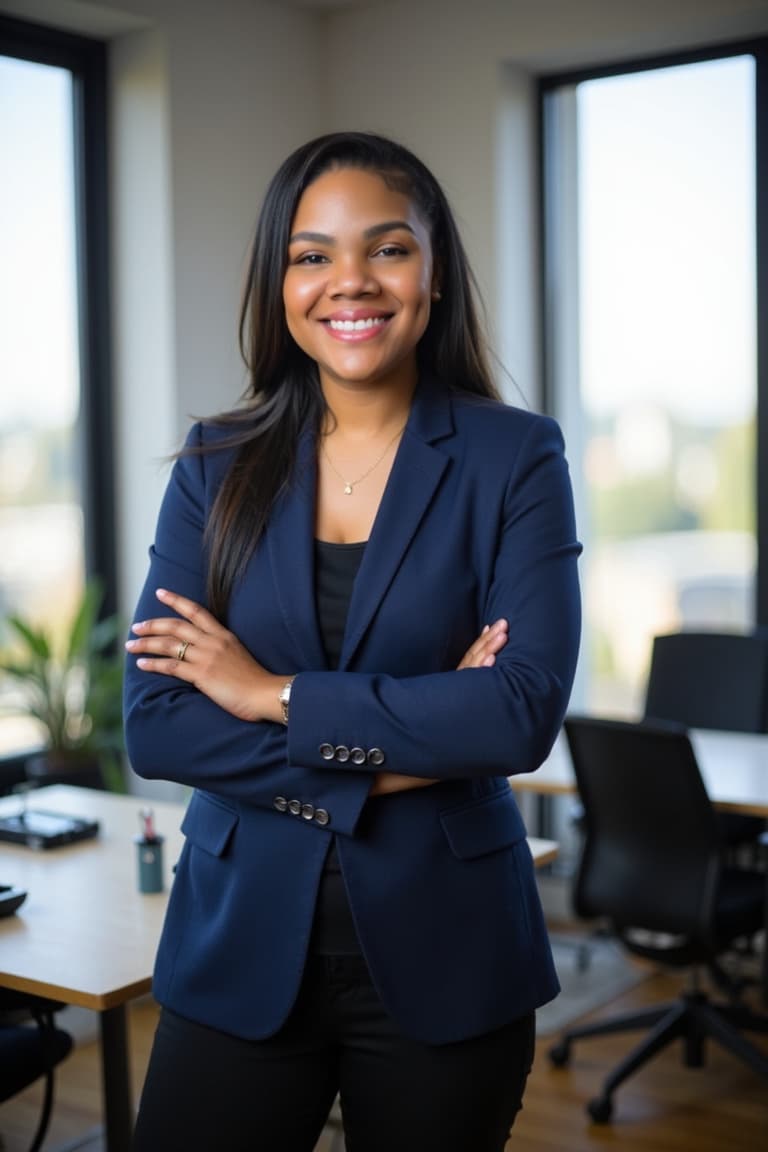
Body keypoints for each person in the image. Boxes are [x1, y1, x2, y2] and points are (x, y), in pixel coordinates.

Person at [124, 131, 581, 1152]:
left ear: (433, 266)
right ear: (279, 281)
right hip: (236, 942)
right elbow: (158, 729)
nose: (351, 283)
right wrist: (409, 747)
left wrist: (266, 694)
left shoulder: (515, 456)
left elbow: (516, 713)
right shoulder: (215, 464)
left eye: (387, 248)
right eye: (312, 254)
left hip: (449, 950)